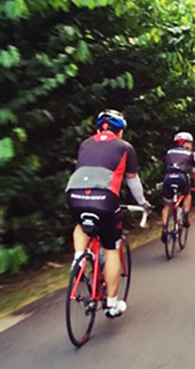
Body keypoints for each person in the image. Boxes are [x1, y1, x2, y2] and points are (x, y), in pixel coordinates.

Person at [65, 109, 151, 317]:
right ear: (120, 132)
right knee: (111, 247)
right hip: (104, 198)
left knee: (80, 224)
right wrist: (143, 203)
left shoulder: (86, 143)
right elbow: (132, 180)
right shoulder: (125, 147)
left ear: (97, 129)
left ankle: (78, 258)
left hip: (74, 193)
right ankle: (112, 304)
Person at [161, 132, 195, 242]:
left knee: (167, 204)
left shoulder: (169, 152)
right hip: (182, 177)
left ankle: (165, 228)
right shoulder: (191, 154)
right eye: (190, 143)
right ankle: (185, 215)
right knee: (187, 194)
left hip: (168, 178)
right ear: (185, 142)